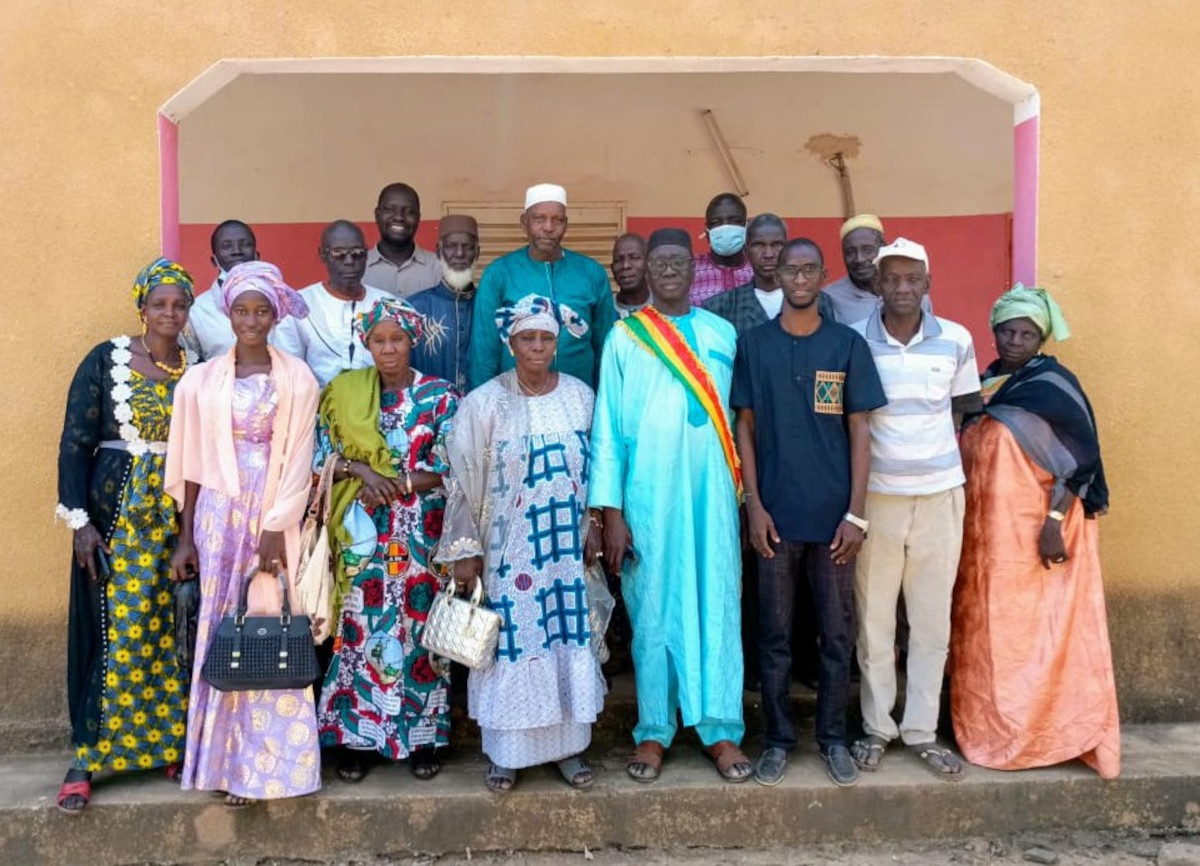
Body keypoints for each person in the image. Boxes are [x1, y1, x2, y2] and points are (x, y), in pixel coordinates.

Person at [590, 228, 750, 784]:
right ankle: (655, 730)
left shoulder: (722, 333)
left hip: (713, 497)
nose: (669, 271)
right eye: (659, 263)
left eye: (679, 261)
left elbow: (743, 421)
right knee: (652, 610)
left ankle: (721, 727)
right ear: (647, 272)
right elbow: (607, 428)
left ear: (693, 268)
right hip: (648, 497)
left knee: (716, 604)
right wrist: (610, 511)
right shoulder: (624, 339)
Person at [731, 239, 887, 788]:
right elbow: (744, 427)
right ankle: (776, 740)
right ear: (777, 272)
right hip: (774, 517)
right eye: (789, 268)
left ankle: (833, 738)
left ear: (822, 276)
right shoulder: (755, 345)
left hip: (833, 523)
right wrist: (754, 506)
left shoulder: (846, 346)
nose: (798, 278)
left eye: (807, 269)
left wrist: (856, 515)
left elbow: (861, 431)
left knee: (836, 634)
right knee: (773, 634)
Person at [166, 261, 322, 808]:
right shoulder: (200, 381)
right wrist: (185, 537)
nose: (251, 320)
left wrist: (278, 527)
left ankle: (274, 766)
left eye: (261, 310)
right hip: (216, 515)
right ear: (227, 313)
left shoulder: (299, 379)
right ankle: (225, 763)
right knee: (222, 630)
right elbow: (186, 463)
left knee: (269, 627)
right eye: (241, 310)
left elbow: (301, 457)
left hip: (274, 512)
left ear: (276, 315)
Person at [437, 295, 605, 793]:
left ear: (557, 343)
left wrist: (594, 522)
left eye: (546, 338)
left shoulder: (580, 396)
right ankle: (506, 755)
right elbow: (462, 481)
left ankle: (569, 750)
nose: (537, 346)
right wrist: (466, 550)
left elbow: (598, 471)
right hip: (508, 556)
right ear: (510, 344)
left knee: (567, 643)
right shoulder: (485, 403)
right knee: (511, 647)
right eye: (527, 338)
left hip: (566, 558)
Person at [950, 285, 1119, 778]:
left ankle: (1047, 733)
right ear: (994, 330)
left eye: (1027, 333)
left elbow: (1080, 463)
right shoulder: (985, 383)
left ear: (1042, 337)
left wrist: (1052, 524)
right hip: (985, 543)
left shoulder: (1053, 387)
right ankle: (990, 730)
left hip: (1037, 540)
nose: (1016, 339)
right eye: (1008, 330)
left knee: (1038, 640)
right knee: (992, 640)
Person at [54, 259, 195, 814]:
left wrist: (190, 534)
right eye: (159, 303)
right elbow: (74, 442)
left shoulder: (197, 366)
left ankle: (167, 744)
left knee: (169, 630)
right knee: (113, 632)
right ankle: (86, 759)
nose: (169, 313)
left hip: (174, 520)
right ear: (142, 307)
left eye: (179, 304)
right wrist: (79, 523)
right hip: (114, 521)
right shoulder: (105, 361)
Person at [848, 238, 982, 781]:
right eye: (892, 279)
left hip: (940, 496)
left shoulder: (957, 340)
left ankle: (922, 730)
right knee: (875, 619)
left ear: (928, 284)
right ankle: (878, 727)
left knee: (931, 620)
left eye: (912, 279)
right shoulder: (855, 341)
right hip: (876, 498)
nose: (902, 288)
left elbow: (964, 411)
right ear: (877, 285)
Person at [314, 298, 459, 784]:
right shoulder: (345, 394)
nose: (389, 348)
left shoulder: (440, 398)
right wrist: (360, 471)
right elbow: (321, 458)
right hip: (363, 539)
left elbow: (451, 467)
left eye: (398, 339)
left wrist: (391, 484)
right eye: (379, 340)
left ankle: (423, 739)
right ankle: (358, 739)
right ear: (367, 344)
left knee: (421, 635)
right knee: (360, 633)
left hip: (421, 538)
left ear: (412, 341)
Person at [469, 183, 617, 390]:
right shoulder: (500, 273)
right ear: (524, 222)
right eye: (539, 219)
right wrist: (484, 408)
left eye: (558, 220)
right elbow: (483, 351)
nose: (548, 227)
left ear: (566, 224)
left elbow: (606, 349)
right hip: (514, 400)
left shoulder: (591, 273)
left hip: (579, 402)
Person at [274, 221, 390, 388]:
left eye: (358, 253)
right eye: (339, 254)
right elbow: (289, 373)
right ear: (322, 254)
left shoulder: (386, 303)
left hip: (379, 406)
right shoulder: (298, 306)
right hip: (317, 408)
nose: (349, 261)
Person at [705, 214, 834, 335]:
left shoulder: (819, 301)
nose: (768, 254)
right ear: (746, 251)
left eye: (777, 244)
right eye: (759, 245)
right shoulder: (721, 306)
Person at [408, 214, 480, 391]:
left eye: (467, 247)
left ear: (477, 252)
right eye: (451, 246)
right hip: (428, 413)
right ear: (439, 252)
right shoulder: (415, 309)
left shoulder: (489, 307)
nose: (459, 253)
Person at [823, 214, 931, 325]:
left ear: (883, 247)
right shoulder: (829, 298)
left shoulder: (912, 291)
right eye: (850, 252)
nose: (859, 259)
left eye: (868, 250)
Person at [185, 220, 258, 360]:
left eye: (245, 244)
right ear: (214, 260)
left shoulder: (279, 302)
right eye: (227, 246)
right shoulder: (197, 311)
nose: (237, 251)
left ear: (257, 255)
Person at [364, 183, 442, 298]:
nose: (399, 217)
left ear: (418, 218)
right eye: (390, 209)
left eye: (409, 211)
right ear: (377, 215)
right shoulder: (358, 266)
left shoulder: (439, 268)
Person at [688, 192, 753, 306]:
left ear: (746, 225)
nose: (725, 227)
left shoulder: (758, 268)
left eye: (735, 221)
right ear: (707, 230)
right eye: (716, 222)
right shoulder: (690, 268)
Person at [610, 233, 650, 318]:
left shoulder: (664, 308)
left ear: (648, 263)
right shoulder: (604, 309)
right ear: (612, 268)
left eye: (634, 257)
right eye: (618, 260)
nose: (625, 265)